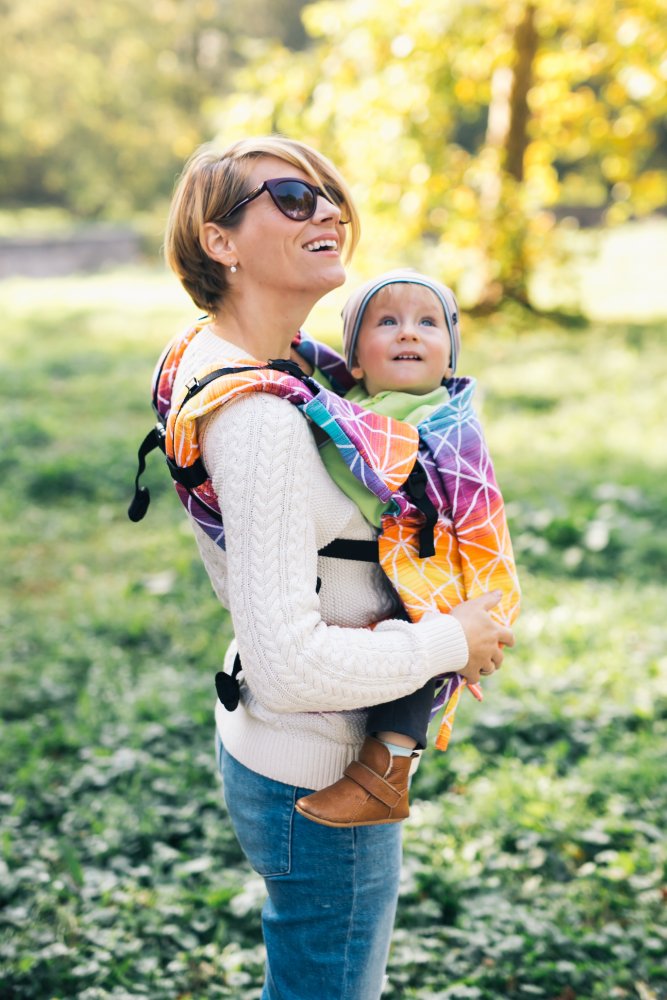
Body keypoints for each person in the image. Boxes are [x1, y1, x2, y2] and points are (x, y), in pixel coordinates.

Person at [160, 135, 515, 1000]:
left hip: (281, 747)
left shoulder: (242, 360)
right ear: (220, 241)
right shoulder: (261, 417)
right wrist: (450, 638)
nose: (326, 211)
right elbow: (291, 666)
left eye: (326, 196)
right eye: (288, 197)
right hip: (323, 768)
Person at [294, 269, 520, 828]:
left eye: (427, 323)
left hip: (430, 559)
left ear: (449, 360)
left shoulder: (443, 420)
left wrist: (495, 604)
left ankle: (385, 773)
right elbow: (311, 365)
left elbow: (477, 511)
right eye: (387, 322)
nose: (408, 334)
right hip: (366, 560)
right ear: (358, 361)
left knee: (427, 643)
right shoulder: (352, 396)